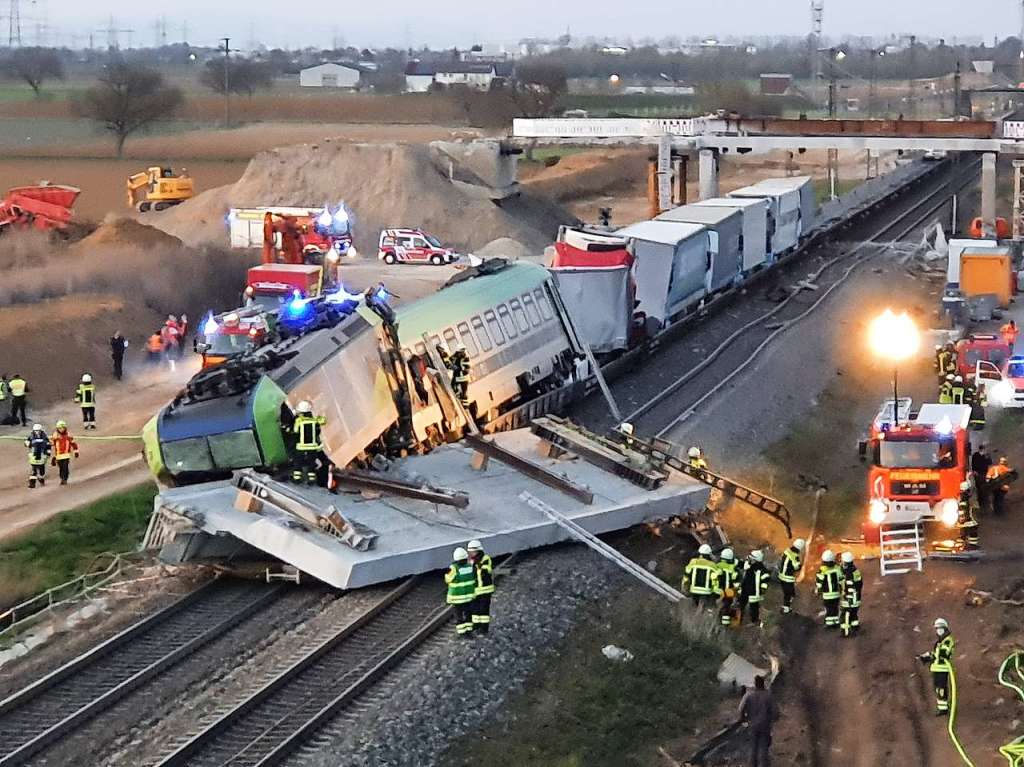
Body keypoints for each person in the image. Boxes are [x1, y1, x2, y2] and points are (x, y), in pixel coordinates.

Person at [919, 618, 956, 716]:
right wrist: (927, 656)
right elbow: (936, 654)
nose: (938, 630)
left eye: (940, 628)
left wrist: (936, 655)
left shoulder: (948, 640)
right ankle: (941, 707)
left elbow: (944, 653)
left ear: (945, 628)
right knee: (937, 688)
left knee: (941, 688)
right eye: (937, 628)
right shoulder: (940, 641)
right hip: (936, 668)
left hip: (943, 669)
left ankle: (944, 708)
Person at [737, 674, 775, 767]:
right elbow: (775, 712)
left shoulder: (748, 695)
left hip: (752, 725)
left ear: (755, 684)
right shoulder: (768, 695)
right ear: (763, 684)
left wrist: (744, 721)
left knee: (753, 748)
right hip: (765, 726)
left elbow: (740, 709)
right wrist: (771, 720)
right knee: (764, 749)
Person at [291, 400, 327, 485]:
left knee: (298, 464)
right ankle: (311, 480)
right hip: (312, 448)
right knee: (311, 464)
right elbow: (323, 421)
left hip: (301, 447)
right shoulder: (314, 421)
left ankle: (297, 479)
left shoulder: (299, 421)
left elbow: (295, 431)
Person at [444, 546, 476, 638]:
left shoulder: (454, 568)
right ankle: (469, 631)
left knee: (459, 616)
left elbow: (448, 579)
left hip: (457, 599)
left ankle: (462, 632)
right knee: (468, 614)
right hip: (469, 597)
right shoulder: (470, 567)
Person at [468, 539, 494, 634]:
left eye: (472, 551)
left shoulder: (486, 559)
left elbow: (487, 570)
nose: (471, 553)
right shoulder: (471, 561)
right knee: (475, 609)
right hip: (475, 590)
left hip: (485, 590)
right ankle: (476, 626)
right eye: (470, 552)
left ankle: (484, 628)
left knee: (484, 609)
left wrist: (478, 566)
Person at [739, 550, 769, 627]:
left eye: (751, 559)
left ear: (756, 560)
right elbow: (741, 564)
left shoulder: (761, 569)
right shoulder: (750, 566)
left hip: (754, 591)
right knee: (741, 604)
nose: (749, 560)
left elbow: (766, 579)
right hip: (745, 589)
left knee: (754, 607)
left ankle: (755, 622)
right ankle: (739, 619)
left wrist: (763, 588)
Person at [682, 544, 718, 609]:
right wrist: (714, 593)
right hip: (706, 592)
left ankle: (691, 617)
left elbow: (686, 577)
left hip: (694, 591)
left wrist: (685, 589)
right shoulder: (712, 565)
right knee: (705, 609)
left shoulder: (693, 562)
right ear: (709, 555)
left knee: (694, 608)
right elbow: (715, 580)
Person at [814, 550, 842, 629]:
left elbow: (819, 582)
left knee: (829, 608)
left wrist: (818, 590)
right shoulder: (837, 568)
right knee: (835, 607)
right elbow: (841, 579)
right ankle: (836, 621)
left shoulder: (822, 570)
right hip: (836, 593)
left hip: (827, 595)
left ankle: (829, 623)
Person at [777, 538, 805, 615]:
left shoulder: (787, 551)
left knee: (788, 593)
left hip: (781, 575)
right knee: (790, 594)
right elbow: (797, 568)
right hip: (788, 578)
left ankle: (786, 607)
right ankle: (785, 609)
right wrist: (801, 564)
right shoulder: (795, 556)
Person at [715, 547, 741, 627]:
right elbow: (737, 584)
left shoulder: (716, 566)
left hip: (717, 591)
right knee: (728, 604)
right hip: (729, 592)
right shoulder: (734, 569)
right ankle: (726, 623)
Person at [839, 552, 863, 638]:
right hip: (857, 597)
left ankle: (846, 632)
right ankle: (855, 626)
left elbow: (845, 585)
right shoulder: (856, 571)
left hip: (849, 598)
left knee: (845, 614)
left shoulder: (846, 573)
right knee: (854, 613)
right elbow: (860, 584)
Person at [50, 420, 79, 486]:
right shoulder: (55, 435)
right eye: (59, 428)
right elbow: (51, 444)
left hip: (66, 455)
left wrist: (76, 451)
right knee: (61, 467)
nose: (61, 429)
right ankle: (62, 478)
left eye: (62, 428)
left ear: (65, 428)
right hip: (58, 455)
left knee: (65, 467)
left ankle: (65, 479)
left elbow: (74, 444)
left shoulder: (68, 435)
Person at [24, 423, 50, 489]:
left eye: (38, 430)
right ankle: (32, 484)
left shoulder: (44, 437)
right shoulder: (31, 436)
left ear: (41, 430)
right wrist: (28, 444)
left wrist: (48, 452)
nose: (37, 432)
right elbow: (26, 442)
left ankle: (41, 479)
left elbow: (48, 445)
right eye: (36, 430)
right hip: (34, 454)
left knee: (42, 470)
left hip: (42, 454)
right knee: (34, 470)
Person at [957, 480, 980, 550]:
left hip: (966, 519)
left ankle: (961, 546)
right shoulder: (966, 496)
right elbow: (963, 508)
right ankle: (971, 546)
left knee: (963, 533)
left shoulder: (963, 496)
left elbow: (962, 508)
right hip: (968, 519)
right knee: (972, 532)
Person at [972, 445, 993, 512]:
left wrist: (988, 457)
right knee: (979, 489)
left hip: (984, 474)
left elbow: (990, 463)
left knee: (985, 489)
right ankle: (981, 504)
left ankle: (985, 505)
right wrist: (974, 471)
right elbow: (973, 464)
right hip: (978, 474)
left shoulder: (985, 456)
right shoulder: (976, 455)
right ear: (981, 449)